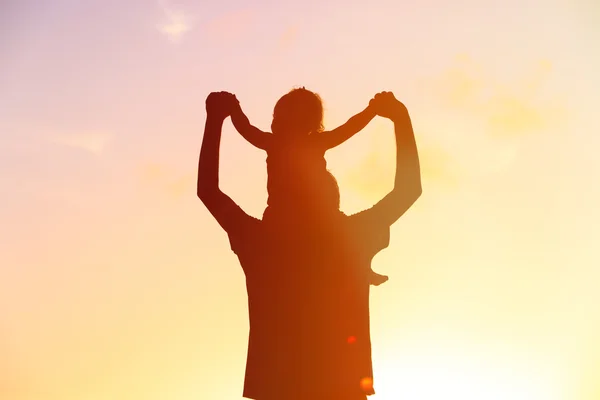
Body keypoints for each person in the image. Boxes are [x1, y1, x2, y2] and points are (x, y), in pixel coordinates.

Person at [197, 90, 422, 400]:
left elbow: (208, 190)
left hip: (274, 389)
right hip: (343, 389)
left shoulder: (261, 242)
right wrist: (399, 118)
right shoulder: (350, 238)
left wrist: (216, 119)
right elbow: (408, 189)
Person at [229, 87, 388, 286]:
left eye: (279, 116)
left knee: (341, 231)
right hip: (284, 215)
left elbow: (349, 128)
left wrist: (371, 111)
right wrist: (234, 109)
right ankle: (359, 267)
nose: (274, 121)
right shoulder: (277, 142)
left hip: (311, 213)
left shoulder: (296, 142)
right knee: (341, 231)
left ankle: (360, 267)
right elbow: (246, 129)